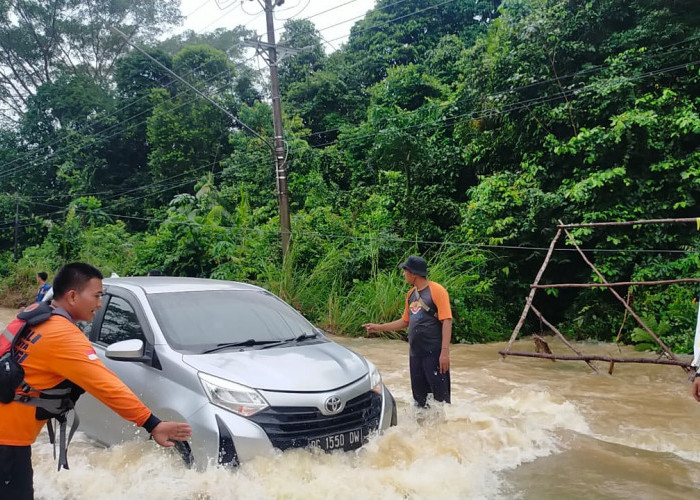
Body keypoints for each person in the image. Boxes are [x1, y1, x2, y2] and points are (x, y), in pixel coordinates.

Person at [0, 262, 191, 500]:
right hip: (7, 442)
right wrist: (152, 423)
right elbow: (106, 385)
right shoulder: (63, 335)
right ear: (72, 296)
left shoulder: (36, 314)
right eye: (97, 296)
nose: (100, 304)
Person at [363, 255, 453, 408]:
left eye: (405, 271)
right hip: (415, 355)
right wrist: (379, 327)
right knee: (419, 400)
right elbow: (405, 321)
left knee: (441, 402)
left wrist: (444, 353)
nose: (404, 274)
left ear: (414, 273)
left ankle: (443, 428)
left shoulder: (437, 291)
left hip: (435, 354)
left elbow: (447, 321)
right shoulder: (411, 295)